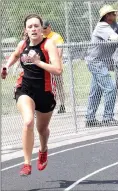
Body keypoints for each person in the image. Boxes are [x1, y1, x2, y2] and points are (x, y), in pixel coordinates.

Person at [1, 14, 62, 176]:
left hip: (45, 92)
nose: (33, 29)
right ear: (26, 30)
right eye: (30, 27)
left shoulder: (49, 44)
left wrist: (38, 62)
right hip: (25, 88)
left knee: (42, 130)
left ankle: (43, 150)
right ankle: (27, 163)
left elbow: (58, 70)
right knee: (28, 121)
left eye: (36, 26)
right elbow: (15, 55)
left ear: (42, 28)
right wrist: (6, 67)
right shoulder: (23, 44)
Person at [85, 5, 118, 127]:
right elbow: (116, 39)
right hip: (96, 62)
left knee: (96, 91)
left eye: (114, 14)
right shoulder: (102, 26)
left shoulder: (113, 25)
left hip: (101, 63)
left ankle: (90, 118)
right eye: (111, 14)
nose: (114, 16)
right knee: (110, 88)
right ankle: (107, 118)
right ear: (106, 16)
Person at [42, 20, 66, 114]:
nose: (43, 30)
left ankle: (62, 105)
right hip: (44, 67)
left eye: (45, 28)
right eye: (42, 28)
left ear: (49, 27)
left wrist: (54, 61)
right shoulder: (41, 37)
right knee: (46, 87)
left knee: (59, 86)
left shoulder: (56, 36)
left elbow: (59, 51)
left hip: (55, 66)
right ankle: (48, 105)